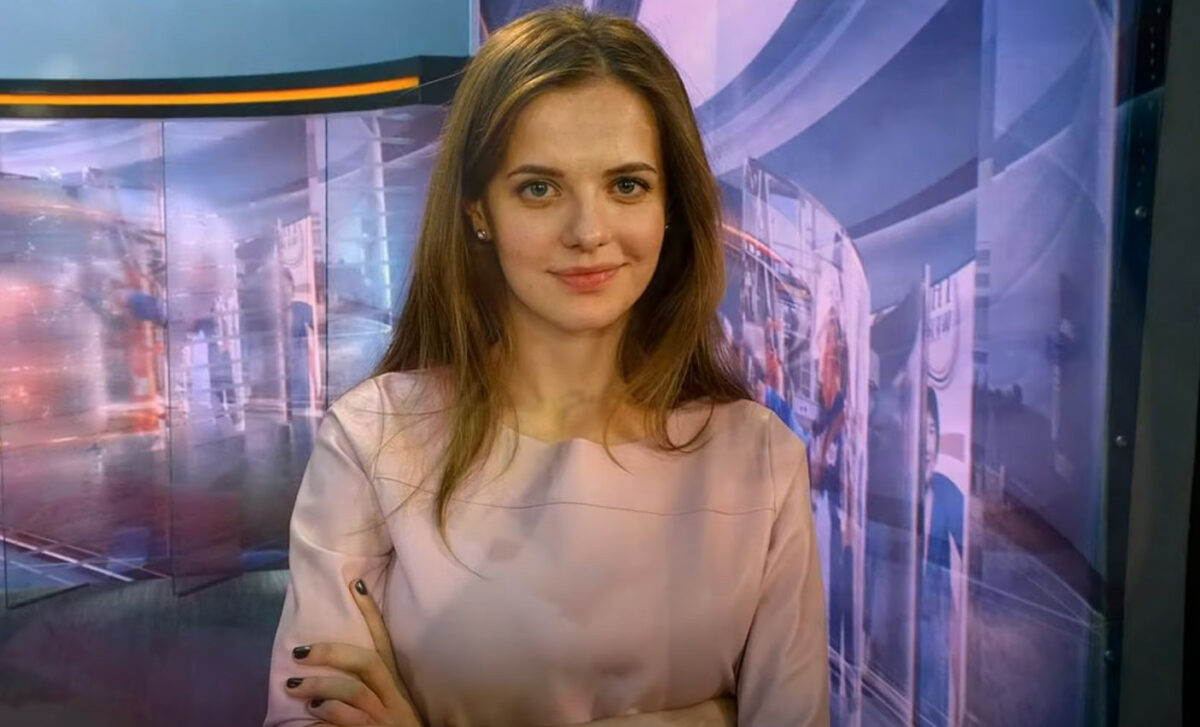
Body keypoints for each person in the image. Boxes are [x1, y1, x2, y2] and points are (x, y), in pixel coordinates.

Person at [264, 8, 828, 726]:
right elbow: (308, 712)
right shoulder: (373, 438)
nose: (588, 232)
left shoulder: (759, 459)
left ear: (670, 206)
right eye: (539, 188)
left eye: (627, 185)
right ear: (478, 210)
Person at [810, 308, 855, 705]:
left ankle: (840, 682)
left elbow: (838, 475)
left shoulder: (844, 416)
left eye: (827, 358)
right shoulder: (821, 413)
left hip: (836, 525)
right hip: (818, 521)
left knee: (838, 605)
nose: (822, 367)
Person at [916, 387, 965, 727]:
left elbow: (977, 562)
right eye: (919, 431)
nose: (926, 444)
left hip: (934, 630)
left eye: (931, 430)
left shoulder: (947, 494)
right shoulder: (894, 491)